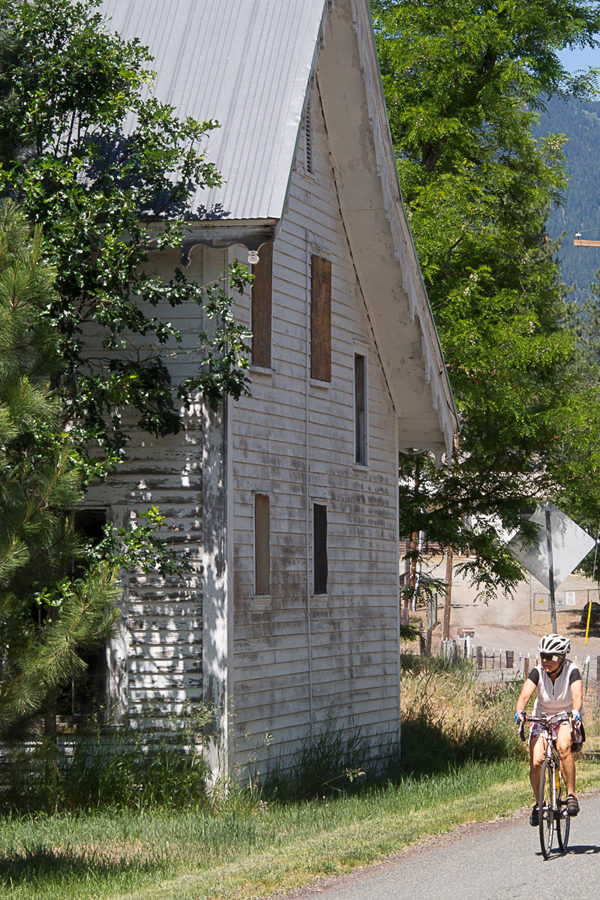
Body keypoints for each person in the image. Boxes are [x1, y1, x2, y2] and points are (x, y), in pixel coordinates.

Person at [514, 633, 584, 826]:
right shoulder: (537, 672)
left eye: (550, 657)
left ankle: (571, 795)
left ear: (561, 657)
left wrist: (576, 712)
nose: (545, 660)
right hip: (542, 717)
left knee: (563, 747)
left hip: (565, 716)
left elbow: (577, 696)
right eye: (542, 656)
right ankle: (539, 804)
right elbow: (524, 697)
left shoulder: (572, 671)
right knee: (537, 761)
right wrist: (520, 711)